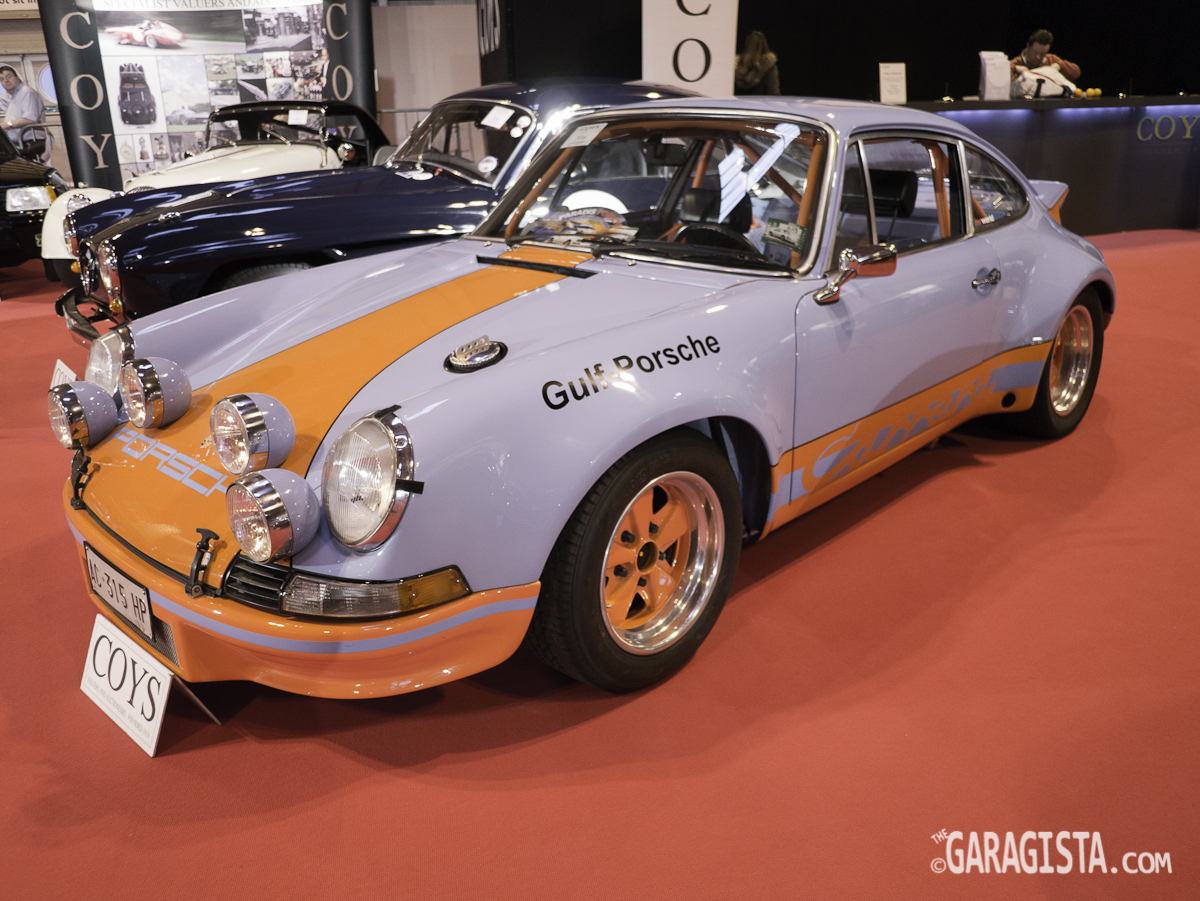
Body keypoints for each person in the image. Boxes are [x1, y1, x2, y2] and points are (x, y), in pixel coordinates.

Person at [1, 65, 46, 157]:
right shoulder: (5, 97)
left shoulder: (27, 92)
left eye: (9, 77)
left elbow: (30, 118)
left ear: (17, 77)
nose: (6, 80)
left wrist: (7, 124)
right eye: (2, 79)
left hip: (31, 141)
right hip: (15, 141)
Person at [1010, 29, 1080, 83]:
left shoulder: (1051, 60)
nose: (1038, 57)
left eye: (1042, 54)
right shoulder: (1016, 63)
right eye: (1035, 52)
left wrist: (1059, 65)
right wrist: (1014, 68)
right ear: (1028, 46)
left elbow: (1076, 72)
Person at [735, 31, 780, 95]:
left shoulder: (737, 64)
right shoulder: (769, 65)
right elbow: (773, 91)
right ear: (764, 44)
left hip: (738, 101)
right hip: (761, 101)